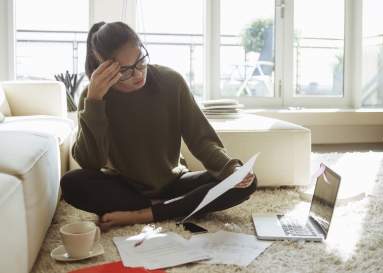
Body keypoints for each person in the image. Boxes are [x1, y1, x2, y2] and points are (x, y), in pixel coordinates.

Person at [60, 21, 257, 231]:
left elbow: (202, 140)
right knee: (72, 183)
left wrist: (231, 169)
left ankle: (145, 214)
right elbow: (90, 163)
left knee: (245, 182)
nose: (138, 74)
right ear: (105, 68)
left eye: (140, 61)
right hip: (125, 188)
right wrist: (95, 101)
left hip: (174, 183)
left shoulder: (171, 82)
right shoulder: (93, 97)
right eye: (125, 71)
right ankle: (170, 208)